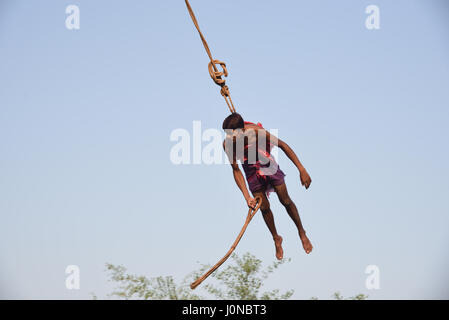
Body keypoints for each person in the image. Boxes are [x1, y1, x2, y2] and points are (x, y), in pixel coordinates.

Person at [222, 113, 313, 259]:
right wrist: (246, 197)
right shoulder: (227, 144)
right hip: (251, 171)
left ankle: (301, 232)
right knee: (264, 208)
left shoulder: (255, 132)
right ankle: (276, 238)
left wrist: (301, 169)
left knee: (286, 201)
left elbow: (282, 145)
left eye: (232, 134)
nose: (229, 137)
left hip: (267, 164)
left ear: (241, 131)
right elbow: (236, 170)